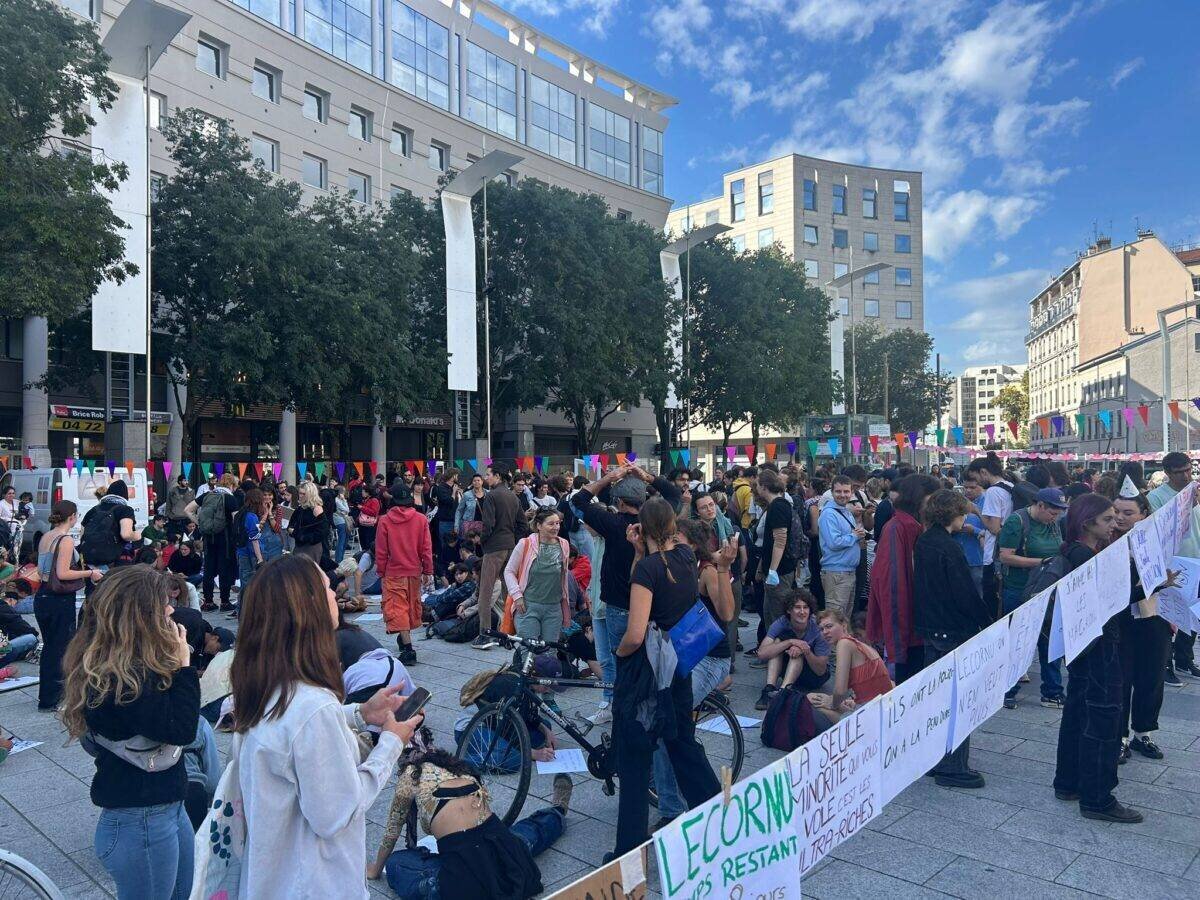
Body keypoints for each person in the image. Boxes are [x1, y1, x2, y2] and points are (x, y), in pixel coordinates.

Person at [231, 555, 424, 899]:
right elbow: (337, 812)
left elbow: (292, 735)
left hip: (272, 878)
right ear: (306, 607)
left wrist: (360, 713)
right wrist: (391, 744)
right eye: (326, 587)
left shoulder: (263, 689)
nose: (335, 593)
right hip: (315, 883)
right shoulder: (312, 705)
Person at [60, 566, 199, 899]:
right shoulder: (119, 680)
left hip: (164, 808)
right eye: (163, 604)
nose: (171, 610)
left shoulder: (130, 666)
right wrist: (184, 666)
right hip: (141, 818)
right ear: (140, 615)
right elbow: (181, 728)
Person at [610, 497, 721, 859]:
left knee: (635, 754)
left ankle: (629, 849)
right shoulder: (686, 556)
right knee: (682, 743)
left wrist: (619, 654)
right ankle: (717, 814)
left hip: (647, 669)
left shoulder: (648, 570)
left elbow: (635, 633)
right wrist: (640, 551)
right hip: (678, 664)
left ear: (642, 527)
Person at [369, 749, 573, 900]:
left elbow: (392, 830)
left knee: (396, 864)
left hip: (465, 879)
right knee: (525, 836)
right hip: (504, 850)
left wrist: (375, 870)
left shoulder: (410, 774)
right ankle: (557, 810)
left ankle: (440, 871)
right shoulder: (461, 769)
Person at [1052, 494, 1143, 823]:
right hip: (1100, 645)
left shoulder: (1075, 551)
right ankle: (1098, 798)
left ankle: (1068, 782)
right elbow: (1110, 601)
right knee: (1104, 718)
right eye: (1107, 518)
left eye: (1115, 516)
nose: (1114, 523)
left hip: (1084, 645)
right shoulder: (1084, 556)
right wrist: (1148, 584)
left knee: (1077, 712)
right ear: (1087, 523)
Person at [913, 489, 994, 788]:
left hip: (931, 626)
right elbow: (964, 593)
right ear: (953, 514)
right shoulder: (949, 547)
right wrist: (985, 621)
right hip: (951, 630)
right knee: (956, 701)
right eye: (962, 514)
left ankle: (936, 759)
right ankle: (953, 766)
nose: (964, 519)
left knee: (936, 700)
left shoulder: (925, 540)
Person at [571, 465, 681, 674]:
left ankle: (621, 693)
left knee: (622, 664)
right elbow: (675, 494)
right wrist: (648, 477)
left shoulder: (614, 524)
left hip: (620, 605)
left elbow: (576, 502)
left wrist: (608, 478)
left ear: (620, 502)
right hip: (654, 603)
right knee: (652, 662)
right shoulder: (658, 522)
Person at [1112, 490, 1172, 762]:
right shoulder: (1107, 541)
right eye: (1116, 512)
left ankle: (1143, 733)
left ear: (1144, 514)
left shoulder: (1157, 539)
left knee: (1152, 678)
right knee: (1121, 680)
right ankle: (1119, 737)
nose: (1120, 518)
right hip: (1120, 621)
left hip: (1154, 617)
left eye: (1128, 513)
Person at [867, 474, 941, 683]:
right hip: (906, 621)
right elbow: (891, 585)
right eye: (931, 498)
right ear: (919, 497)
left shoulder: (910, 524)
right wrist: (898, 632)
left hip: (915, 621)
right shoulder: (898, 527)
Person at [998, 487, 1068, 709]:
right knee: (1019, 641)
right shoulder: (1017, 521)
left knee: (1049, 639)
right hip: (1020, 588)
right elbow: (1005, 557)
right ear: (1040, 505)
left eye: (1058, 513)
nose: (1055, 517)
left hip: (1047, 589)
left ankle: (1052, 691)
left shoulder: (1054, 524)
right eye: (1052, 513)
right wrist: (1041, 563)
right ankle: (1007, 690)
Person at [35, 501, 103, 709]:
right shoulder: (64, 540)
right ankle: (52, 697)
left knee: (50, 646)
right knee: (59, 648)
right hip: (59, 598)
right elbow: (63, 573)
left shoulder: (46, 536)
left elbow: (42, 570)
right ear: (72, 516)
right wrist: (90, 573)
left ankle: (49, 695)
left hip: (43, 595)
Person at [1148, 451, 1200, 680]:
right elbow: (1160, 529)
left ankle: (1185, 658)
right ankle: (1165, 663)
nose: (1186, 476)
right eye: (1180, 472)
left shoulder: (1194, 491)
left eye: (1189, 470)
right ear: (1168, 473)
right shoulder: (1157, 497)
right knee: (1170, 615)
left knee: (1194, 614)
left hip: (1195, 558)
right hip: (1173, 562)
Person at [375, 482, 434, 664]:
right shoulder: (421, 519)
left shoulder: (385, 520)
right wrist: (428, 570)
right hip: (414, 570)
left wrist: (381, 572)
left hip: (394, 571)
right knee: (409, 606)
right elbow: (426, 548)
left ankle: (408, 649)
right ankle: (404, 637)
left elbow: (381, 551)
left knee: (397, 608)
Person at [808, 608, 892, 721]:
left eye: (829, 626)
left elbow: (840, 691)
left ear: (844, 625)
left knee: (810, 700)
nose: (825, 632)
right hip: (883, 708)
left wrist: (832, 704)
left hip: (871, 715)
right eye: (821, 629)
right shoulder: (862, 645)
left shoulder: (844, 643)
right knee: (823, 698)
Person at [754, 588, 830, 710]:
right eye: (797, 607)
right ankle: (769, 689)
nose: (802, 612)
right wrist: (790, 642)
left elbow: (821, 671)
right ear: (789, 610)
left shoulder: (817, 627)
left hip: (814, 676)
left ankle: (783, 693)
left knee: (797, 650)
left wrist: (805, 650)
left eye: (806, 607)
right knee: (778, 642)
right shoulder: (781, 622)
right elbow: (761, 654)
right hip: (791, 670)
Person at [504, 508, 571, 644]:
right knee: (529, 650)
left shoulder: (564, 544)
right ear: (539, 526)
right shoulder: (525, 544)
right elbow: (509, 571)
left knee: (550, 652)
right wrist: (517, 596)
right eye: (551, 524)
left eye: (558, 523)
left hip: (554, 608)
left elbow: (563, 576)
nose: (556, 527)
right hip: (528, 607)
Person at [474, 468, 522, 650]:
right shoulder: (513, 496)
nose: (486, 477)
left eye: (488, 474)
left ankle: (485, 634)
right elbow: (522, 524)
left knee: (485, 592)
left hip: (494, 547)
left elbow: (488, 524)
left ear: (498, 476)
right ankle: (509, 631)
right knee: (509, 591)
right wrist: (514, 540)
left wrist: (482, 540)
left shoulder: (491, 496)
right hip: (510, 546)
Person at [970, 455, 1015, 610]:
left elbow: (994, 528)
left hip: (993, 555)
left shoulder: (993, 491)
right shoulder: (1009, 486)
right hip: (1007, 548)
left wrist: (976, 510)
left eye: (975, 478)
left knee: (992, 603)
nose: (977, 482)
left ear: (983, 472)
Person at [191, 472, 239, 612]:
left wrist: (200, 523)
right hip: (225, 538)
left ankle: (208, 602)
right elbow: (235, 519)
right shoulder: (230, 498)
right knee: (224, 569)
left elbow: (187, 510)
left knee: (208, 569)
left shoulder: (207, 495)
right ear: (231, 485)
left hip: (208, 537)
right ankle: (225, 602)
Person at [818, 475, 865, 616]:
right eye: (838, 491)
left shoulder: (845, 512)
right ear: (831, 492)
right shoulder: (828, 514)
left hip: (848, 572)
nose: (842, 495)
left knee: (844, 620)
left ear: (851, 492)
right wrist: (854, 536)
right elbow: (834, 542)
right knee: (834, 619)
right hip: (836, 573)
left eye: (846, 491)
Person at [81, 479, 142, 568]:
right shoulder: (125, 509)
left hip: (91, 558)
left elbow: (82, 534)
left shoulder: (94, 509)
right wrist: (137, 535)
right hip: (114, 560)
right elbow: (126, 535)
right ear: (125, 496)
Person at [957, 471, 987, 596]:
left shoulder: (987, 503)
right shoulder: (958, 502)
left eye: (972, 487)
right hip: (958, 558)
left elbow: (993, 530)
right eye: (965, 487)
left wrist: (974, 530)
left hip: (977, 559)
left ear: (981, 487)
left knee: (978, 594)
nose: (968, 490)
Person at [234, 488, 268, 592]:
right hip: (251, 553)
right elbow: (254, 539)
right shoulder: (252, 517)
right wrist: (260, 558)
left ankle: (242, 601)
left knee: (244, 580)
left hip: (241, 551)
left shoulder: (240, 514)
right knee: (254, 582)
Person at [290, 481, 330, 564]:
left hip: (311, 547)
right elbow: (291, 525)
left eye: (303, 494)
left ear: (310, 494)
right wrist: (295, 532)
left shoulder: (317, 509)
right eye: (300, 493)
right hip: (299, 546)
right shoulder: (300, 509)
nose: (300, 496)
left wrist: (304, 537)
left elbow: (323, 531)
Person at [455, 473, 487, 538]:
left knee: (482, 543)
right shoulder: (467, 494)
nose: (476, 482)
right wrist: (456, 525)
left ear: (482, 482)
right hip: (469, 525)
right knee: (468, 543)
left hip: (484, 524)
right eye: (474, 481)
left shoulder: (488, 494)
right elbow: (459, 510)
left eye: (478, 480)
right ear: (472, 482)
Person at [166, 475, 195, 540]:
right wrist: (169, 515)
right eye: (184, 480)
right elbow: (168, 504)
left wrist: (192, 517)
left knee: (185, 538)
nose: (186, 482)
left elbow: (194, 505)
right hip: (174, 518)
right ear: (180, 481)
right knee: (173, 538)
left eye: (187, 480)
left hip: (186, 518)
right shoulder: (172, 491)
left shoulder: (191, 491)